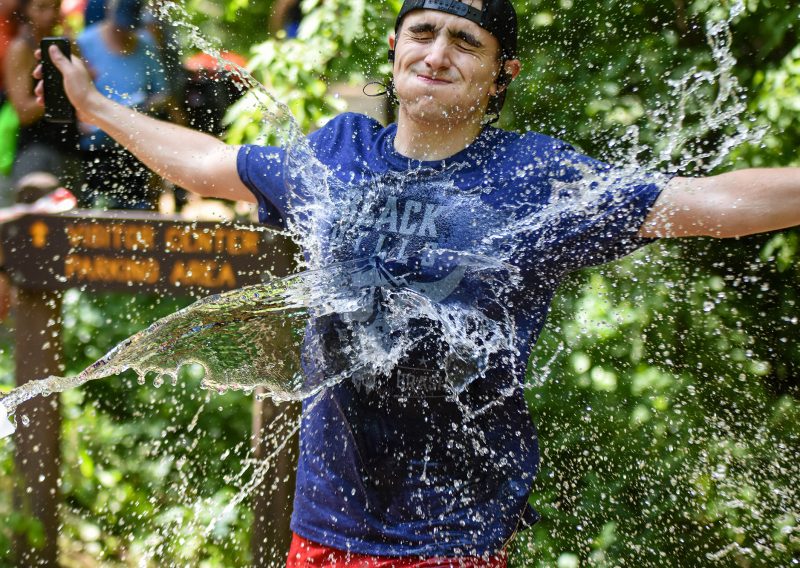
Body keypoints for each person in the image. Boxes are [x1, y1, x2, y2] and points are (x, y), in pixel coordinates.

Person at [35, 0, 800, 565]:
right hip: (324, 524)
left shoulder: (532, 176)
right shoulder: (338, 154)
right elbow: (207, 164)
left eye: (465, 41)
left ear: (501, 74)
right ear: (395, 47)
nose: (437, 53)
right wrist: (96, 106)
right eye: (423, 32)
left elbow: (701, 204)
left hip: (451, 536)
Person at [76, 0, 168, 209]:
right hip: (96, 144)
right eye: (121, 26)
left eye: (130, 27)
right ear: (109, 12)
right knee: (99, 207)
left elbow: (162, 92)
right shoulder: (85, 43)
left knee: (138, 208)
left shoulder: (146, 44)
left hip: (137, 141)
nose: (125, 32)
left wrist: (145, 107)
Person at [4, 0, 79, 200]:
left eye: (55, 7)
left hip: (70, 147)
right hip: (36, 150)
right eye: (41, 7)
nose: (50, 14)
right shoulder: (21, 48)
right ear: (26, 11)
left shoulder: (66, 44)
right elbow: (23, 111)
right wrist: (59, 89)